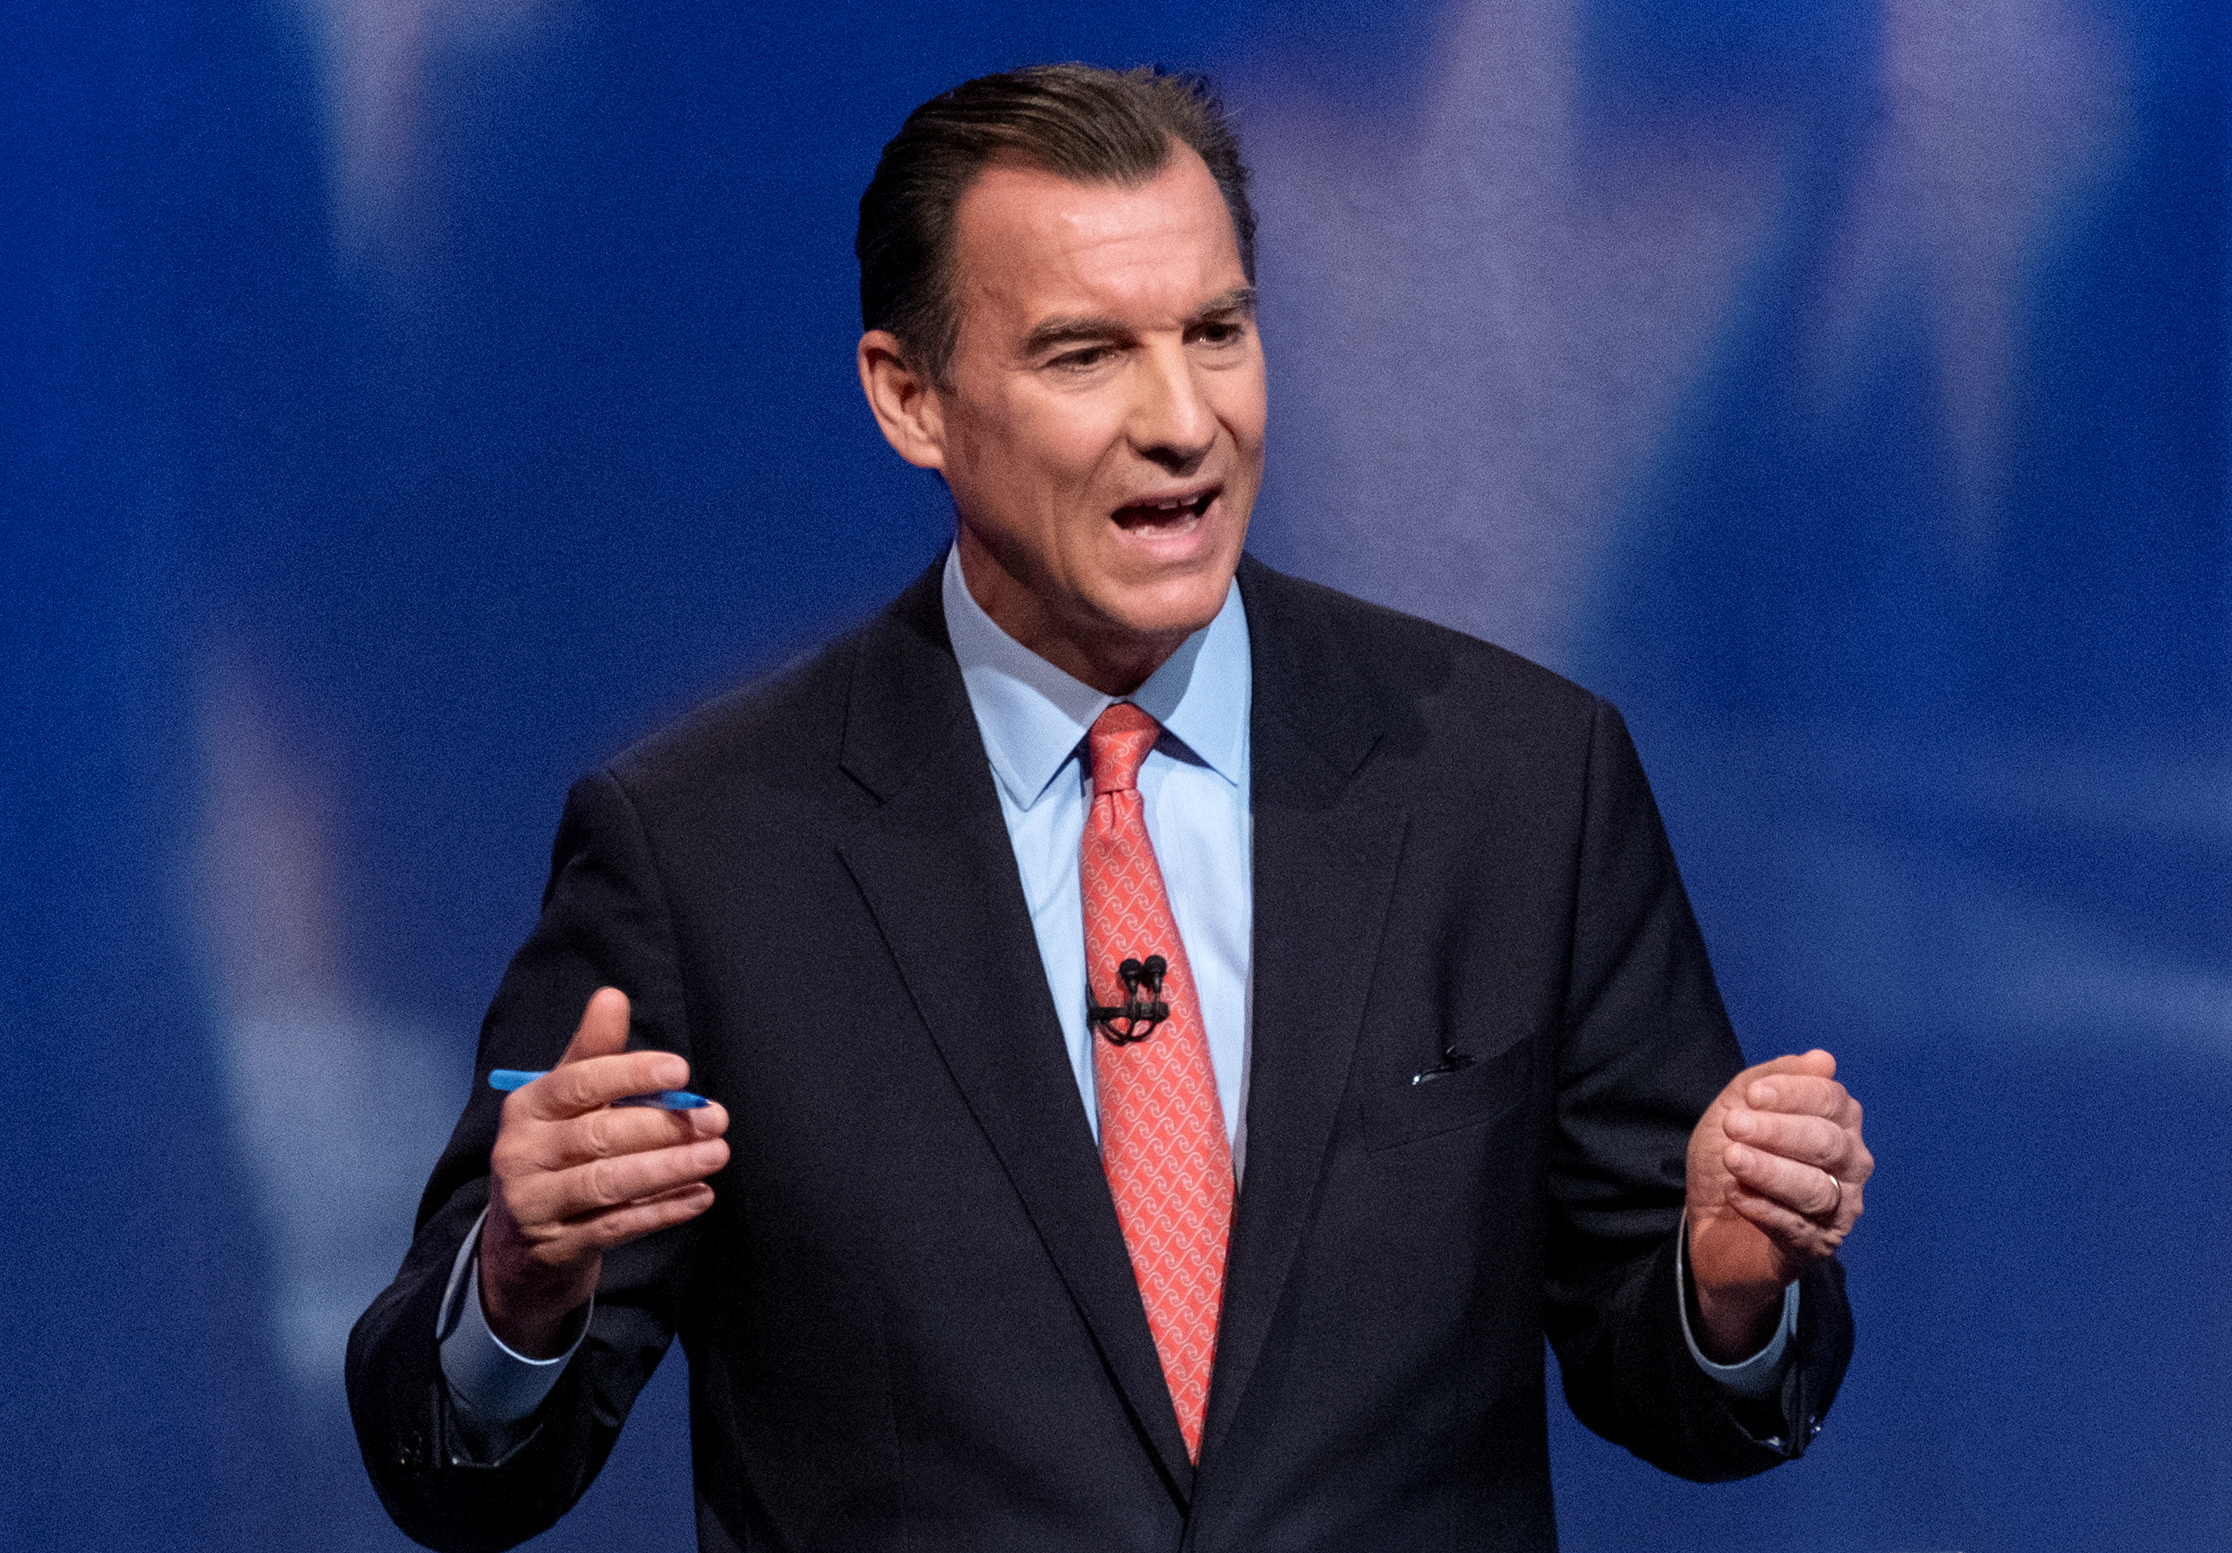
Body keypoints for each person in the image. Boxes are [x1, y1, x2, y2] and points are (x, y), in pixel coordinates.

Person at [349, 64, 1870, 1553]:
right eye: (1085, 354)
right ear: (910, 397)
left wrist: (1724, 1283)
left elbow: (1685, 1379)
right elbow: (457, 1465)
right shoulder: (703, 849)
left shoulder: (1518, 781)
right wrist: (517, 1287)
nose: (1182, 421)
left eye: (1217, 331)